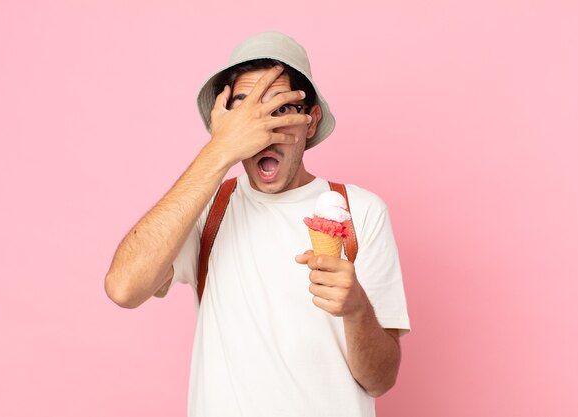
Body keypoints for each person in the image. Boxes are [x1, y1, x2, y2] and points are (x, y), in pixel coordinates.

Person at [104, 31, 410, 417]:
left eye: (279, 109)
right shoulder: (205, 208)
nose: (263, 129)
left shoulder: (361, 211)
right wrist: (220, 150)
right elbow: (123, 287)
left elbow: (381, 380)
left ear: (311, 121)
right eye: (247, 113)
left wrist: (356, 310)